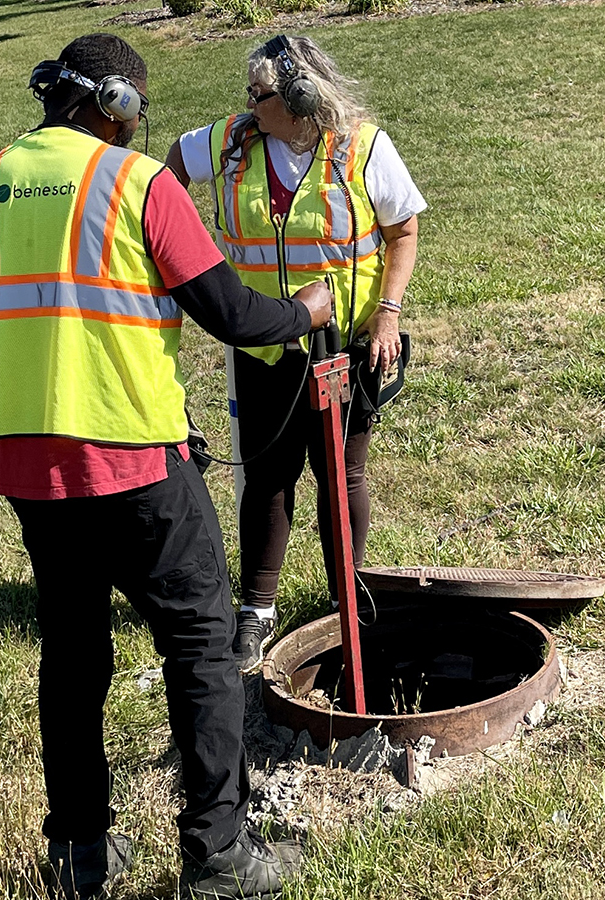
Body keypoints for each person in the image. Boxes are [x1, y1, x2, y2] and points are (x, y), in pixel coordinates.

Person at [0, 33, 333, 900]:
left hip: (33, 475)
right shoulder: (137, 183)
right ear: (114, 104)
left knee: (73, 659)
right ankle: (218, 856)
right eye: (136, 114)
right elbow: (230, 311)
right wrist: (304, 311)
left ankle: (81, 853)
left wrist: (37, 366)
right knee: (199, 650)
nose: (137, 130)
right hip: (139, 464)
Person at [165, 35, 426, 672]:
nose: (249, 106)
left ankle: (349, 600)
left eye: (261, 96)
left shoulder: (364, 147)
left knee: (342, 474)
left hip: (343, 351)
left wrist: (387, 315)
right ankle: (256, 609)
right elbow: (169, 168)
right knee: (267, 478)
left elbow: (405, 229)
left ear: (303, 97)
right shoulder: (233, 140)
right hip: (262, 349)